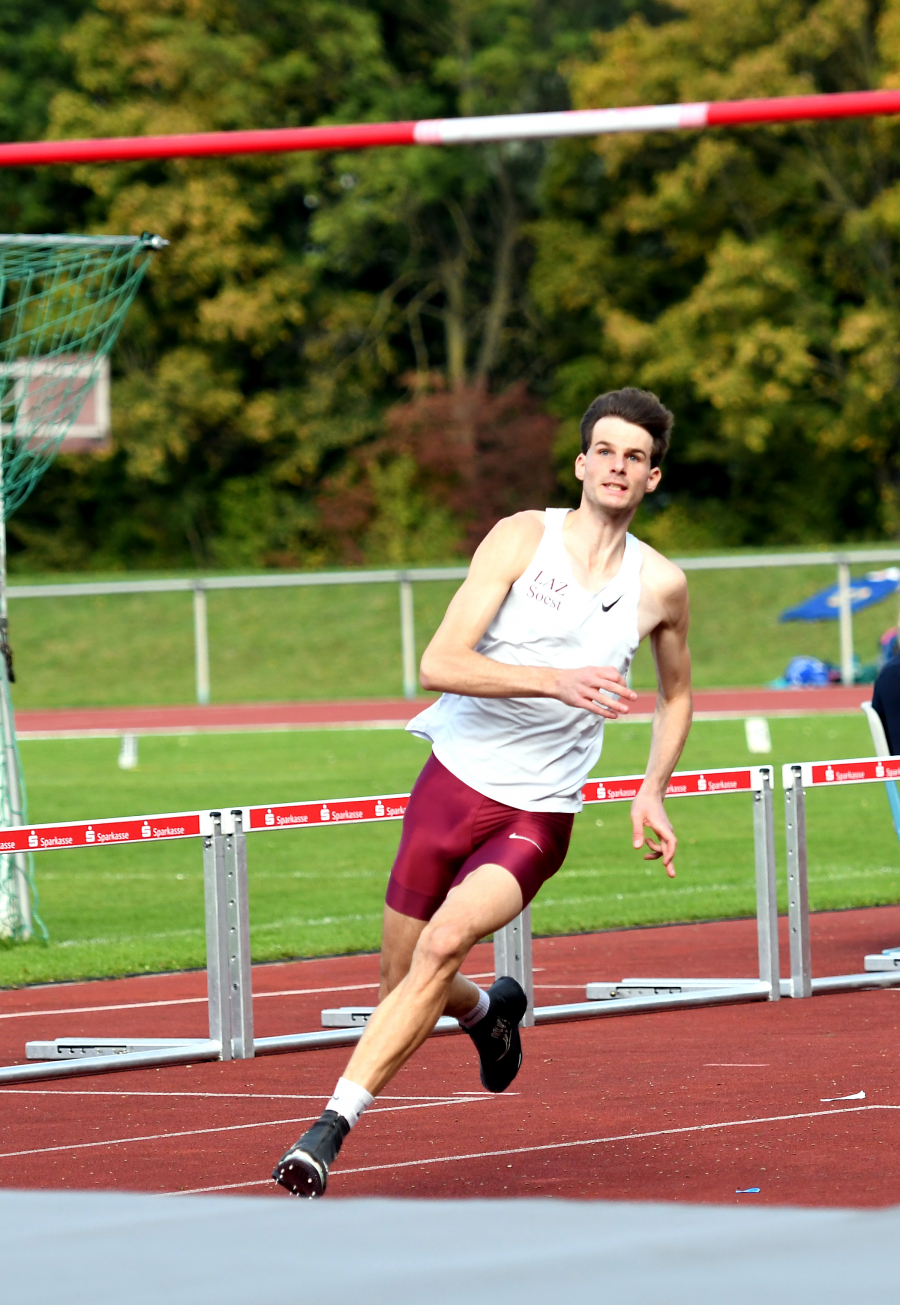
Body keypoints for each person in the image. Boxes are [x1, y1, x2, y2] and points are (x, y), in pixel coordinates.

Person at [272, 386, 693, 1197]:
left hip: (538, 810)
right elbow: (439, 662)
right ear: (582, 463)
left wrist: (652, 788)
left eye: (635, 457)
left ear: (652, 478)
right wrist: (554, 680)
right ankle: (486, 1011)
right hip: (452, 783)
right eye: (605, 451)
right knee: (404, 980)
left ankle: (327, 1130)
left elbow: (677, 696)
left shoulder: (661, 586)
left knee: (442, 944)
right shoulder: (521, 538)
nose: (617, 466)